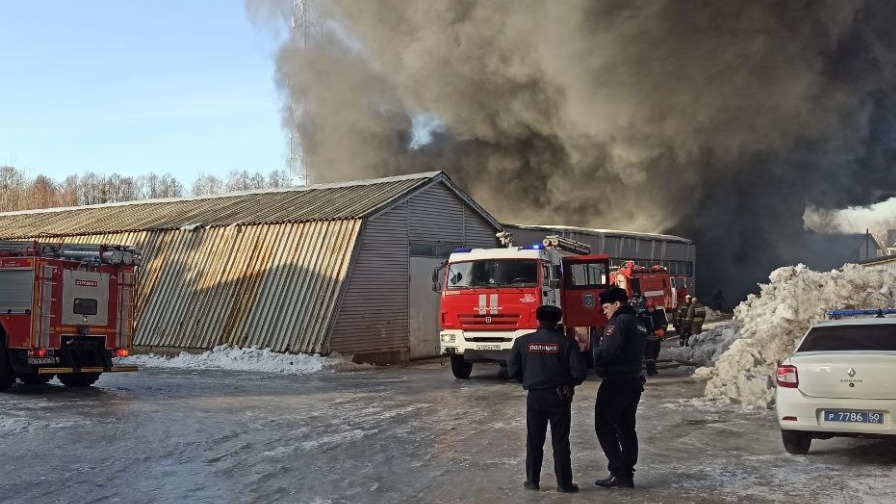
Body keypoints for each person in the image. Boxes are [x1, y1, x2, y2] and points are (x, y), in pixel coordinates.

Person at [508, 305, 586, 493]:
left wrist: (529, 380)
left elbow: (513, 369)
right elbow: (578, 373)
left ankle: (532, 481)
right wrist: (567, 384)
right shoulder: (567, 343)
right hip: (559, 397)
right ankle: (564, 484)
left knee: (534, 440)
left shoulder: (522, 342)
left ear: (538, 319)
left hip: (535, 396)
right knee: (561, 441)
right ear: (558, 321)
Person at [592, 286, 648, 489]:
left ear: (617, 304)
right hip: (633, 380)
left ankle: (619, 472)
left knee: (604, 426)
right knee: (626, 428)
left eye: (606, 307)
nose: (604, 312)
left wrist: (595, 346)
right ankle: (627, 472)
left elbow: (606, 353)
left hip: (615, 382)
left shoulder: (618, 322)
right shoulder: (639, 322)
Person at [643, 301, 668, 375]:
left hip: (657, 338)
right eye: (649, 307)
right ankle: (649, 369)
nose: (650, 309)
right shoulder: (643, 315)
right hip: (647, 338)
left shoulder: (659, 314)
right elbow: (639, 325)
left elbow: (664, 323)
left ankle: (653, 367)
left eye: (652, 307)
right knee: (648, 354)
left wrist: (662, 330)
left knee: (655, 353)